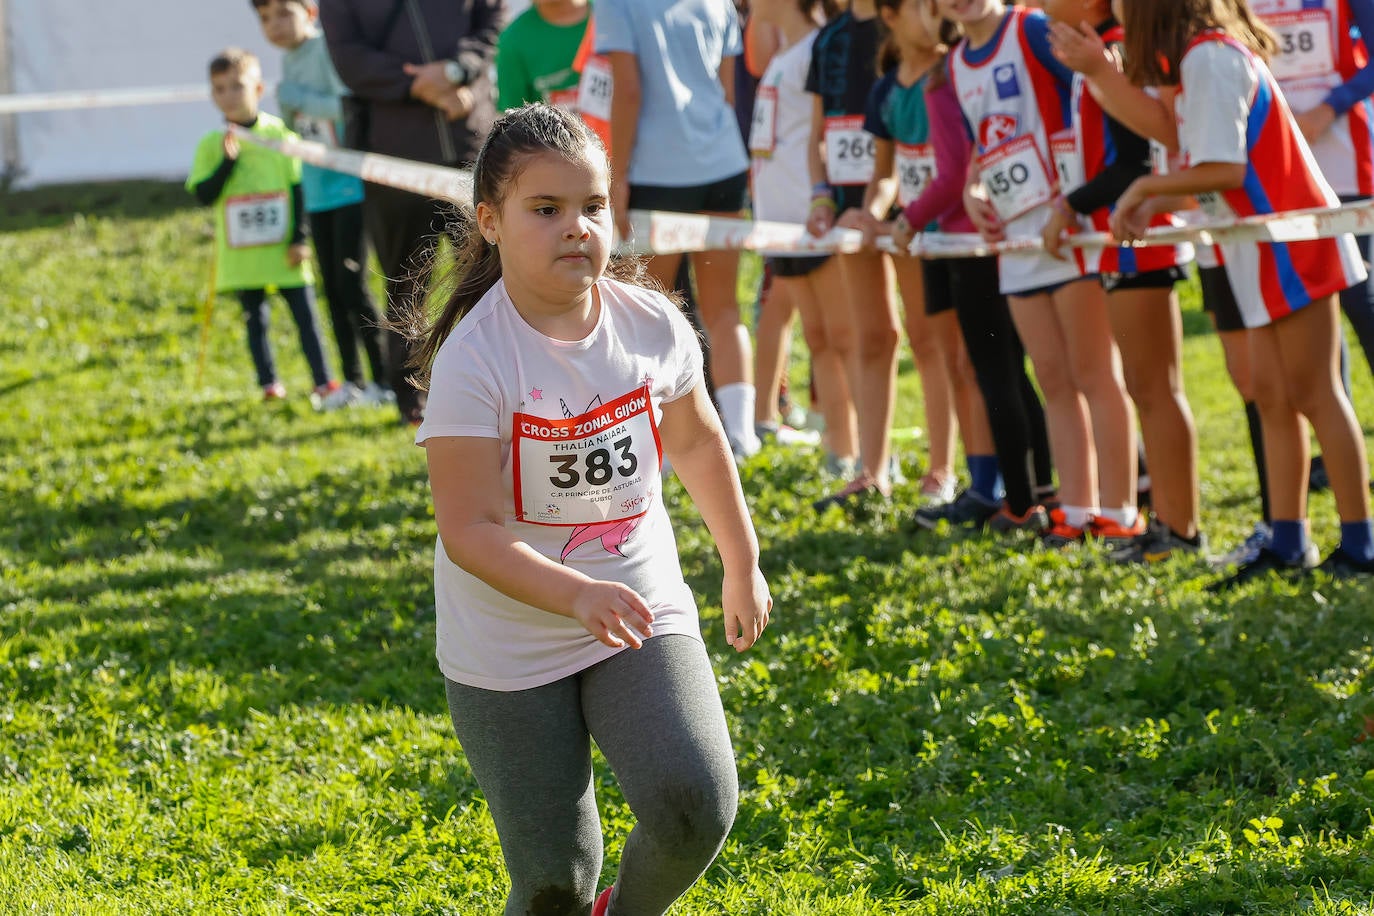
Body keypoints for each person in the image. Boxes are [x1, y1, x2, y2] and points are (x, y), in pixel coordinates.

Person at [410, 104, 771, 915]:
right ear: (491, 222)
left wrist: (740, 562)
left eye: (594, 206)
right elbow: (467, 530)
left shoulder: (650, 323)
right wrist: (574, 593)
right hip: (506, 642)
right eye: (547, 209)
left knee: (695, 802)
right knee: (553, 883)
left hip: (637, 606)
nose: (578, 227)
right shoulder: (475, 359)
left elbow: (702, 444)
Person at [1112, 0, 1374, 584]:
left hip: (1292, 244)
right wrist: (1155, 198)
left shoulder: (1211, 58)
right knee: (1274, 398)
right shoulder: (1201, 60)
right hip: (1257, 249)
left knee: (1317, 394)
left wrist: (1143, 189)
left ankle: (1361, 545)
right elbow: (1216, 174)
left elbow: (1223, 171)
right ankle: (1289, 542)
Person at [941, 0, 1139, 548]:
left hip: (1068, 223)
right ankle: (1075, 512)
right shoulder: (956, 62)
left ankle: (1120, 511)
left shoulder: (1030, 28)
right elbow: (985, 144)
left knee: (1095, 373)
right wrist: (973, 190)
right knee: (1052, 378)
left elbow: (1092, 96)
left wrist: (1077, 194)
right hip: (1016, 235)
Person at [1042, 0, 1203, 562]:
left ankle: (1179, 528)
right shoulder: (1097, 51)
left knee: (1155, 387)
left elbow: (1136, 160)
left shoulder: (1113, 50)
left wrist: (1070, 204)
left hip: (1143, 234)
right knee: (1145, 385)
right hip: (1119, 235)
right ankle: (1168, 524)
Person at [888, 0, 1057, 533]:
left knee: (1001, 372)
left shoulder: (1005, 44)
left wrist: (909, 218)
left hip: (975, 241)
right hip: (975, 237)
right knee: (1005, 371)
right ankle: (1024, 490)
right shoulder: (949, 72)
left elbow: (956, 169)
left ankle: (1022, 499)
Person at [321, 0, 504, 425]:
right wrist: (416, 85)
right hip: (393, 157)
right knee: (405, 284)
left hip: (470, 151)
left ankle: (502, 383)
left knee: (494, 274)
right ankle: (412, 398)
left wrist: (459, 70)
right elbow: (348, 54)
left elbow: (490, 19)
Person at [597, 0, 763, 459]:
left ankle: (656, 444)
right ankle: (743, 436)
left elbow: (627, 90)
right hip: (723, 162)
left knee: (647, 313)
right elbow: (728, 93)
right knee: (724, 308)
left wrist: (618, 174)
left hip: (657, 170)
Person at [851, 0, 999, 509]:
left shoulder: (955, 72)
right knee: (930, 345)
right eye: (920, 6)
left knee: (967, 356)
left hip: (963, 234)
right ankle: (947, 472)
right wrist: (873, 213)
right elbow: (886, 175)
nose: (932, 14)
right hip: (915, 237)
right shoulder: (886, 90)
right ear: (890, 16)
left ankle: (956, 469)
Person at [186, 47, 347, 409]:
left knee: (305, 316)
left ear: (258, 89)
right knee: (254, 320)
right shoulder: (212, 144)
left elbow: (297, 187)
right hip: (243, 253)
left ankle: (323, 380)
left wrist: (299, 238)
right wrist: (227, 165)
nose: (229, 95)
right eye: (220, 89)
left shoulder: (280, 135)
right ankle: (269, 383)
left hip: (284, 249)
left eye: (237, 86)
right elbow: (202, 194)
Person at [254, 0, 392, 408]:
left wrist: (298, 97)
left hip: (350, 187)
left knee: (354, 285)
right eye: (265, 18)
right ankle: (349, 382)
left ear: (310, 13)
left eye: (283, 13)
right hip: (315, 189)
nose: (275, 25)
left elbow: (346, 108)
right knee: (331, 288)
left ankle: (383, 381)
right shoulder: (291, 61)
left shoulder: (327, 50)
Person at [806, 0, 906, 508]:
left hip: (914, 197)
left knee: (938, 344)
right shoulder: (828, 39)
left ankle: (944, 473)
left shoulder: (908, 21)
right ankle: (873, 469)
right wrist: (822, 196)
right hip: (850, 208)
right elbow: (818, 133)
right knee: (874, 336)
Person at [747, 0, 855, 461]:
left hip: (810, 220)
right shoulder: (787, 53)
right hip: (779, 222)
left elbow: (823, 137)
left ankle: (853, 447)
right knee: (819, 338)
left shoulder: (816, 48)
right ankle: (838, 449)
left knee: (841, 336)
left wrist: (821, 201)